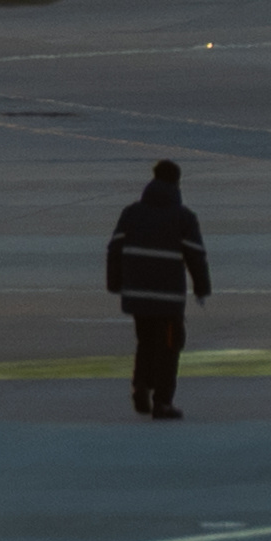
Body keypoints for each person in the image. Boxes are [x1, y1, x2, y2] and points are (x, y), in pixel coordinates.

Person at [104, 158, 211, 419]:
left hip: (137, 295)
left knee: (146, 342)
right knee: (170, 346)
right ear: (176, 182)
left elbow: (114, 250)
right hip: (168, 298)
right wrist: (201, 287)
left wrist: (115, 283)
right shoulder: (183, 217)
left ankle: (141, 384)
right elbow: (195, 256)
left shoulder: (131, 213)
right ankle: (163, 402)